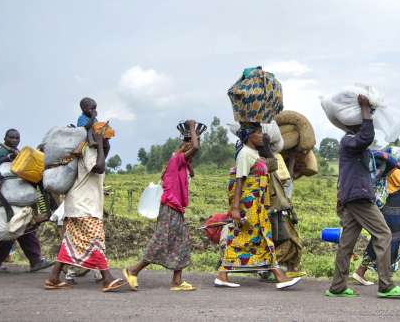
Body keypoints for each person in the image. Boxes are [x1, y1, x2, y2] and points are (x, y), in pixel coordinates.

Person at [326, 94, 400, 299]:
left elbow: (370, 148)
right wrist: (365, 109)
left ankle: (337, 287)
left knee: (347, 243)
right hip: (358, 198)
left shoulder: (355, 146)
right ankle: (386, 285)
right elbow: (366, 136)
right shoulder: (349, 141)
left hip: (353, 197)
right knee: (383, 234)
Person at [215, 123, 301, 290]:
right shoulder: (245, 154)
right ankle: (279, 276)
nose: (262, 135)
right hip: (249, 204)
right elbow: (240, 180)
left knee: (246, 238)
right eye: (259, 133)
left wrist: (267, 146)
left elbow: (273, 165)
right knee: (261, 237)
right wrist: (235, 208)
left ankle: (222, 274)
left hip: (258, 203)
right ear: (249, 136)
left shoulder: (255, 153)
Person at [123, 120, 204, 292]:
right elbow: (195, 148)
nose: (196, 148)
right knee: (161, 241)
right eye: (194, 143)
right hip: (169, 208)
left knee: (181, 242)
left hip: (176, 209)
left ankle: (177, 280)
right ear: (186, 146)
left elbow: (192, 158)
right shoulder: (176, 159)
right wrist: (191, 127)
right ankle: (132, 270)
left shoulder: (183, 163)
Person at [44, 126, 124, 291]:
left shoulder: (93, 151)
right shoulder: (89, 151)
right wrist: (100, 144)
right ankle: (107, 278)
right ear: (98, 138)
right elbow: (99, 167)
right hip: (83, 206)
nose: (108, 142)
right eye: (106, 139)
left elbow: (102, 159)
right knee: (96, 240)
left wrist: (103, 145)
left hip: (79, 205)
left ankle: (53, 277)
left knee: (70, 242)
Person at [352, 146, 400, 286]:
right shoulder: (395, 171)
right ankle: (361, 272)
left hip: (395, 213)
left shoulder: (389, 171)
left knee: (399, 241)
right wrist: (397, 164)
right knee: (385, 240)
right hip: (392, 214)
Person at [0, 128, 52, 273]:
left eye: (17, 138)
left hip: (14, 200)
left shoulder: (17, 152)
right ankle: (35, 261)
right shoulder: (3, 152)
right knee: (25, 229)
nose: (14, 140)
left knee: (13, 232)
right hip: (7, 200)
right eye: (12, 138)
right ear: (5, 138)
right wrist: (9, 156)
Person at [264, 149, 305, 278]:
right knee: (289, 240)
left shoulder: (276, 156)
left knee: (291, 240)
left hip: (281, 202)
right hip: (275, 206)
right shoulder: (264, 160)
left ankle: (289, 268)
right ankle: (267, 267)